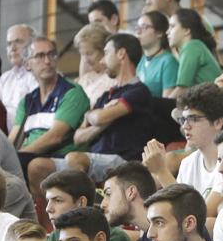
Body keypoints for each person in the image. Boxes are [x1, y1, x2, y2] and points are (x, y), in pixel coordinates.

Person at [67, 33, 156, 182]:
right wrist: (97, 118)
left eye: (107, 53)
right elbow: (78, 138)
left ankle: (82, 203)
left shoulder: (138, 91)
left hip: (124, 160)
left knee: (74, 159)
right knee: (39, 166)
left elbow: (100, 117)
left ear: (121, 54)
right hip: (94, 158)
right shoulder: (106, 96)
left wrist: (96, 116)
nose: (102, 60)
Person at [14, 37, 91, 197]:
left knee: (36, 166)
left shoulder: (72, 92)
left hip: (63, 158)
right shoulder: (27, 101)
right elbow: (13, 139)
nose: (47, 61)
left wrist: (18, 157)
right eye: (40, 56)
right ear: (27, 64)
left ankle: (43, 220)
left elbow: (55, 137)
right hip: (28, 157)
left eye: (51, 55)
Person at [144, 83, 223, 209]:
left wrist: (161, 172)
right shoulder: (188, 164)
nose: (185, 126)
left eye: (194, 119)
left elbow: (200, 216)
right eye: (183, 119)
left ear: (218, 122)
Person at [170, 8, 223, 89]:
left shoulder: (191, 47)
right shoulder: (194, 46)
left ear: (186, 30)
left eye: (172, 26)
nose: (167, 32)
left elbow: (181, 89)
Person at [136, 10, 181, 98]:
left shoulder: (168, 62)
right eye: (137, 27)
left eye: (144, 27)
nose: (138, 32)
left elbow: (166, 102)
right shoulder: (140, 59)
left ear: (159, 32)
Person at [0, 24, 39, 119]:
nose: (12, 48)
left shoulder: (40, 75)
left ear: (33, 45)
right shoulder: (4, 78)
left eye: (18, 42)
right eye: (9, 44)